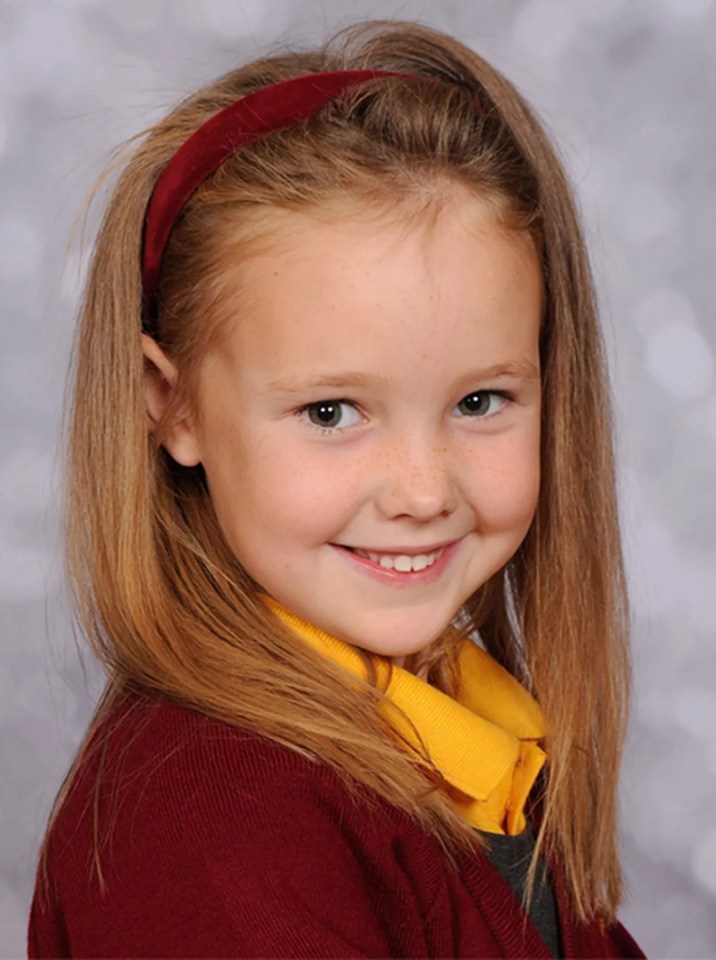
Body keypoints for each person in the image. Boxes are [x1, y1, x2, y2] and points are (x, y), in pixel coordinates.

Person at [27, 18, 645, 959]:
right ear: (173, 405)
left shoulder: (469, 731)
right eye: (330, 413)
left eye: (481, 400)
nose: (422, 491)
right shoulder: (208, 825)